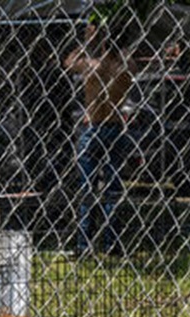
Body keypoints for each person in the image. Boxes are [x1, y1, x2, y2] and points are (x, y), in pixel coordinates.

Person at [63, 22, 133, 256]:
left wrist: (87, 42)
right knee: (112, 188)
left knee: (87, 189)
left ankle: (84, 245)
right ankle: (112, 243)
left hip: (93, 126)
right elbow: (132, 63)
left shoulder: (91, 67)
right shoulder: (124, 67)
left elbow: (68, 61)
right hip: (114, 125)